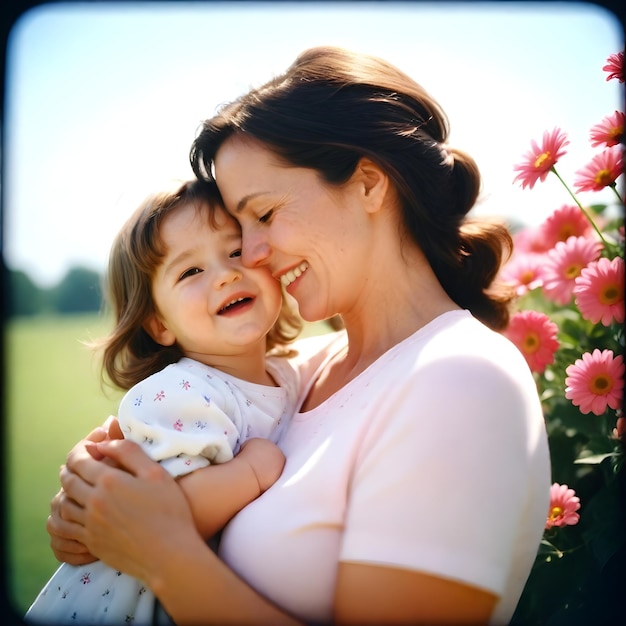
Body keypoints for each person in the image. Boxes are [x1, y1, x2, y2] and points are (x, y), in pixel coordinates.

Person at [46, 46, 551, 625]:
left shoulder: (461, 380)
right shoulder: (290, 371)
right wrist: (88, 504)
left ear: (367, 183)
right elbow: (145, 466)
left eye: (262, 215)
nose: (252, 256)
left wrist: (161, 552)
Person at [26, 178, 300, 624]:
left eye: (235, 252)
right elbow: (164, 517)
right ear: (158, 324)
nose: (227, 274)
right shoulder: (179, 394)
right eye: (191, 272)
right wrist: (254, 469)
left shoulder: (289, 375)